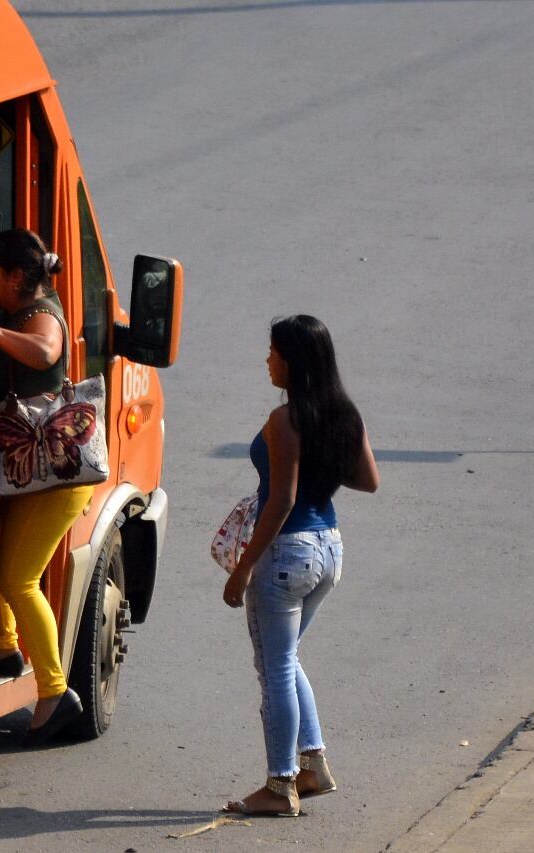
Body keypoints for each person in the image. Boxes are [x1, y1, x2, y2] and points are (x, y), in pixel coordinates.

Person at [222, 315, 379, 816]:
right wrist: (322, 465)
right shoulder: (344, 415)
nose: (267, 360)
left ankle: (280, 785)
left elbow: (282, 500)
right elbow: (367, 479)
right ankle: (313, 766)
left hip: (287, 554)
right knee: (285, 660)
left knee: (275, 669)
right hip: (328, 549)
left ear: (293, 360)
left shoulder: (284, 420)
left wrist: (243, 567)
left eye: (273, 352)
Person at [0, 228, 90, 747]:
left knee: (20, 578)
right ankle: (3, 647)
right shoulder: (26, 305)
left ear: (17, 277)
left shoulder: (41, 315)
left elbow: (47, 351)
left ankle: (55, 692)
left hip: (57, 478)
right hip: (36, 474)